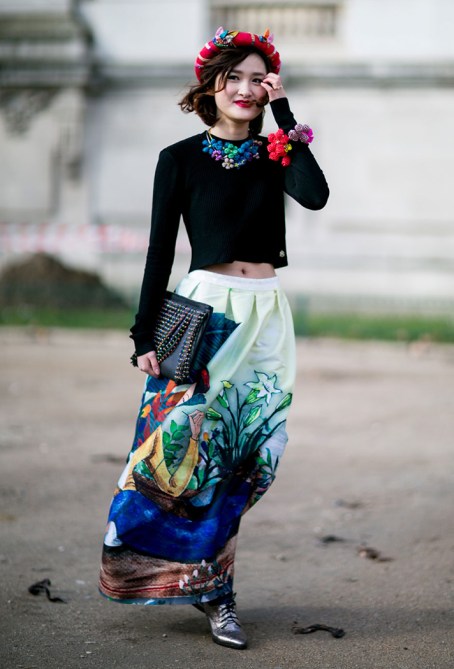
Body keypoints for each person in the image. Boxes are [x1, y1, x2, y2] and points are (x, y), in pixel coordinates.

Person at [98, 26, 329, 650]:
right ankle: (207, 589)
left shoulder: (277, 153)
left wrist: (286, 117)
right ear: (212, 84)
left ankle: (208, 581)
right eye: (235, 78)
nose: (246, 90)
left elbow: (315, 196)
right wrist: (144, 333)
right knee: (182, 451)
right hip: (206, 313)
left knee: (251, 454)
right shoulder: (178, 159)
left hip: (266, 315)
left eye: (259, 79)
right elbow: (158, 250)